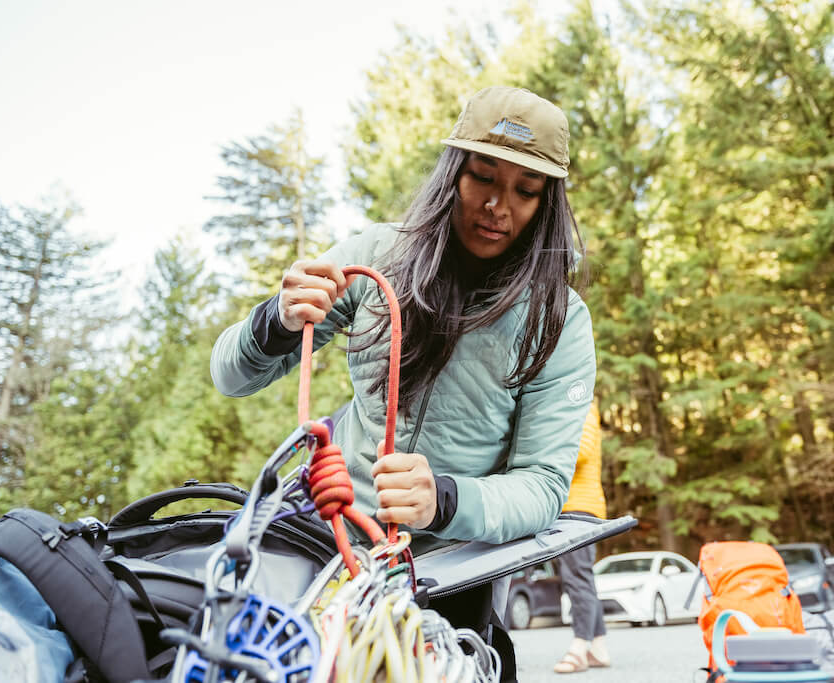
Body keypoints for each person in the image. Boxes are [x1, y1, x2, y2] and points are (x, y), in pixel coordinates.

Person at [210, 85, 596, 680]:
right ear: (452, 174)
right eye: (483, 177)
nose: (499, 206)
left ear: (547, 203)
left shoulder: (559, 319)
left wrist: (444, 499)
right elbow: (229, 377)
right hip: (329, 552)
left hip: (453, 573)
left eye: (526, 190)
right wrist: (278, 320)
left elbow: (543, 486)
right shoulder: (376, 256)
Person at [553, 402, 611, 673]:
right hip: (574, 506)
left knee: (577, 578)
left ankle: (580, 644)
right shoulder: (576, 406)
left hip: (580, 507)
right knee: (582, 577)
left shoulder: (583, 404)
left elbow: (581, 452)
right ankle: (597, 647)